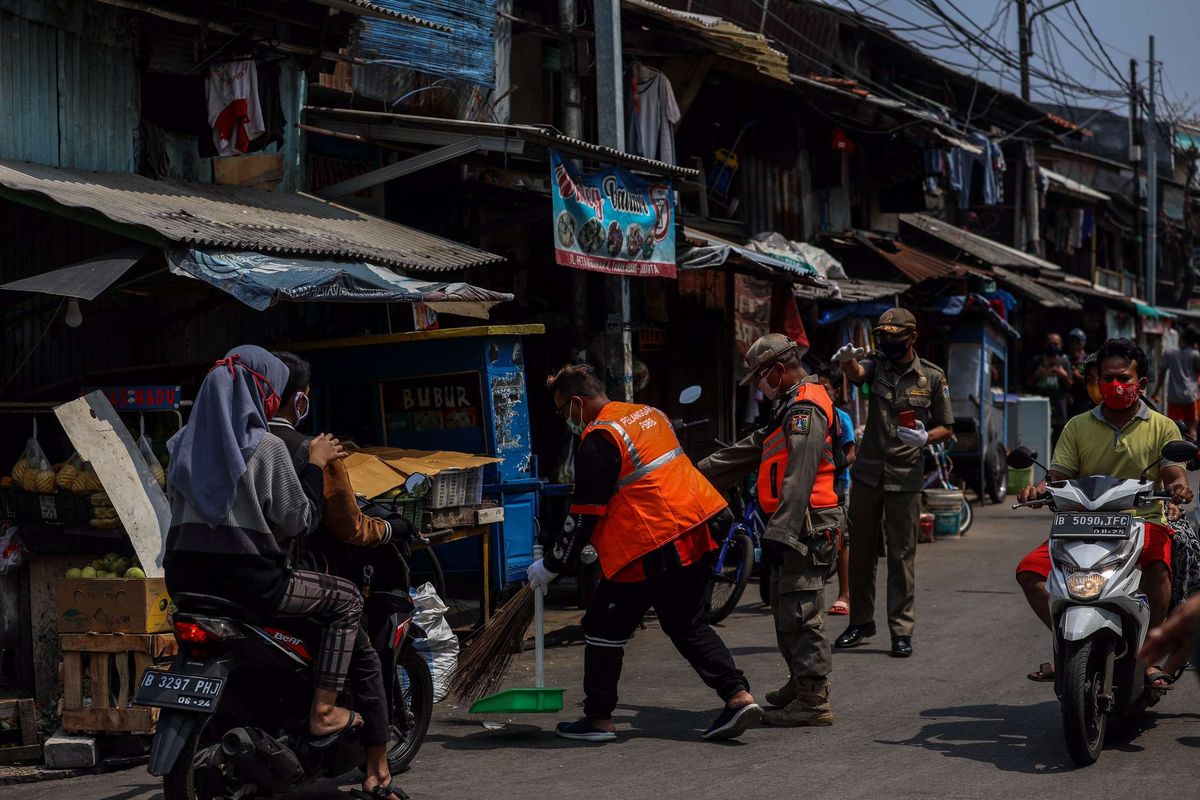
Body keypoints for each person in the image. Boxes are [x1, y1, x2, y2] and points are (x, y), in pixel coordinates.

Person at [527, 364, 761, 742]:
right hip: (698, 528)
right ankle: (738, 697)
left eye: (561, 411)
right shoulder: (649, 414)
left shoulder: (599, 437)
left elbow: (585, 513)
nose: (563, 420)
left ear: (576, 403)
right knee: (686, 623)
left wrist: (553, 565)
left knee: (603, 626)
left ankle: (599, 719)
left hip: (650, 543)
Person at [163, 347, 367, 744]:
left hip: (184, 581)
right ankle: (324, 711)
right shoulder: (266, 447)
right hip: (249, 583)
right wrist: (314, 462)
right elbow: (301, 520)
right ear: (264, 395)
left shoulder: (179, 444)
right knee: (349, 599)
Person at [268, 352, 408, 800]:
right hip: (287, 578)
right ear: (301, 399)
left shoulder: (226, 445)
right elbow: (345, 526)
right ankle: (376, 765)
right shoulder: (311, 450)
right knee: (362, 645)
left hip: (216, 578)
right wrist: (392, 528)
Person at [1016, 338, 1193, 687]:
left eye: (1123, 378)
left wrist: (1177, 487)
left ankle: (1150, 654)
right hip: (1082, 522)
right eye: (1107, 378)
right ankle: (1069, 645)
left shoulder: (1162, 426)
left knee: (1158, 570)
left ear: (1140, 384)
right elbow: (1058, 474)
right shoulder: (1078, 426)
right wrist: (1039, 488)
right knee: (1029, 573)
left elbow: (1175, 473)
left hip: (1142, 522)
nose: (1115, 385)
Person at [696, 336, 844, 727]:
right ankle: (800, 681)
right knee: (785, 606)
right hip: (794, 522)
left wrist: (781, 531)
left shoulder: (805, 408)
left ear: (778, 370)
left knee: (801, 609)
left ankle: (814, 699)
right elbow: (750, 450)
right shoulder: (789, 405)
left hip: (806, 523)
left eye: (760, 376)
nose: (759, 385)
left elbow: (800, 474)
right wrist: (690, 474)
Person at [831, 308, 954, 658]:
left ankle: (901, 630)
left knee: (901, 556)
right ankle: (860, 622)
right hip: (868, 473)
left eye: (894, 336)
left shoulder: (932, 377)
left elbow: (947, 425)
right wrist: (846, 364)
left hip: (905, 476)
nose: (886, 341)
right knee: (861, 555)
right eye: (882, 336)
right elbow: (858, 373)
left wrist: (925, 438)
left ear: (912, 337)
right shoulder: (878, 364)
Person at [817, 366, 856, 617]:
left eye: (826, 388)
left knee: (840, 540)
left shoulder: (842, 418)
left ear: (835, 391)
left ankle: (845, 594)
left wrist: (832, 468)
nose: (821, 392)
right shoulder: (806, 415)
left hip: (837, 484)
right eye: (816, 387)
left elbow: (851, 453)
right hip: (811, 486)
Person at [1155, 327, 1200, 440]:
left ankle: (1176, 455)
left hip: (1174, 397)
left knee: (1174, 429)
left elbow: (1161, 374)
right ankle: (1191, 456)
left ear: (1182, 338)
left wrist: (1156, 392)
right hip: (1191, 397)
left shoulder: (1169, 353)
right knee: (1192, 430)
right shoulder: (1195, 354)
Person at [1030, 332, 1074, 443]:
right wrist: (1037, 375)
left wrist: (1063, 375)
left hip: (1059, 411)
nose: (1052, 346)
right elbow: (1028, 384)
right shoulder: (1037, 361)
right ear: (1045, 344)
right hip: (1039, 409)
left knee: (1058, 443)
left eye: (1056, 343)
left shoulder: (1064, 362)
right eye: (1050, 343)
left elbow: (1070, 386)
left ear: (1061, 346)